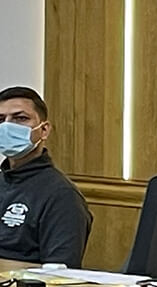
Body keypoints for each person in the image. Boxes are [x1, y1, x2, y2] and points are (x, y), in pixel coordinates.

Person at [0, 86, 93, 267]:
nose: (7, 127)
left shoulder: (62, 195)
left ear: (44, 130)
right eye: (1, 120)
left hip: (22, 285)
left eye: (20, 118)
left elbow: (59, 271)